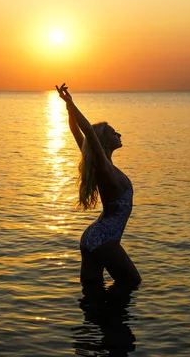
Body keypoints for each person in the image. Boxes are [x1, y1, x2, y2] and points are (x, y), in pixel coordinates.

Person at [56, 83, 141, 287]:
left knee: (92, 294)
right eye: (113, 133)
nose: (118, 135)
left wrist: (69, 110)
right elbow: (87, 133)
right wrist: (72, 105)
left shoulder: (100, 166)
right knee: (132, 283)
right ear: (103, 143)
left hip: (91, 238)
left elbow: (77, 134)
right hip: (104, 238)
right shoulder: (104, 169)